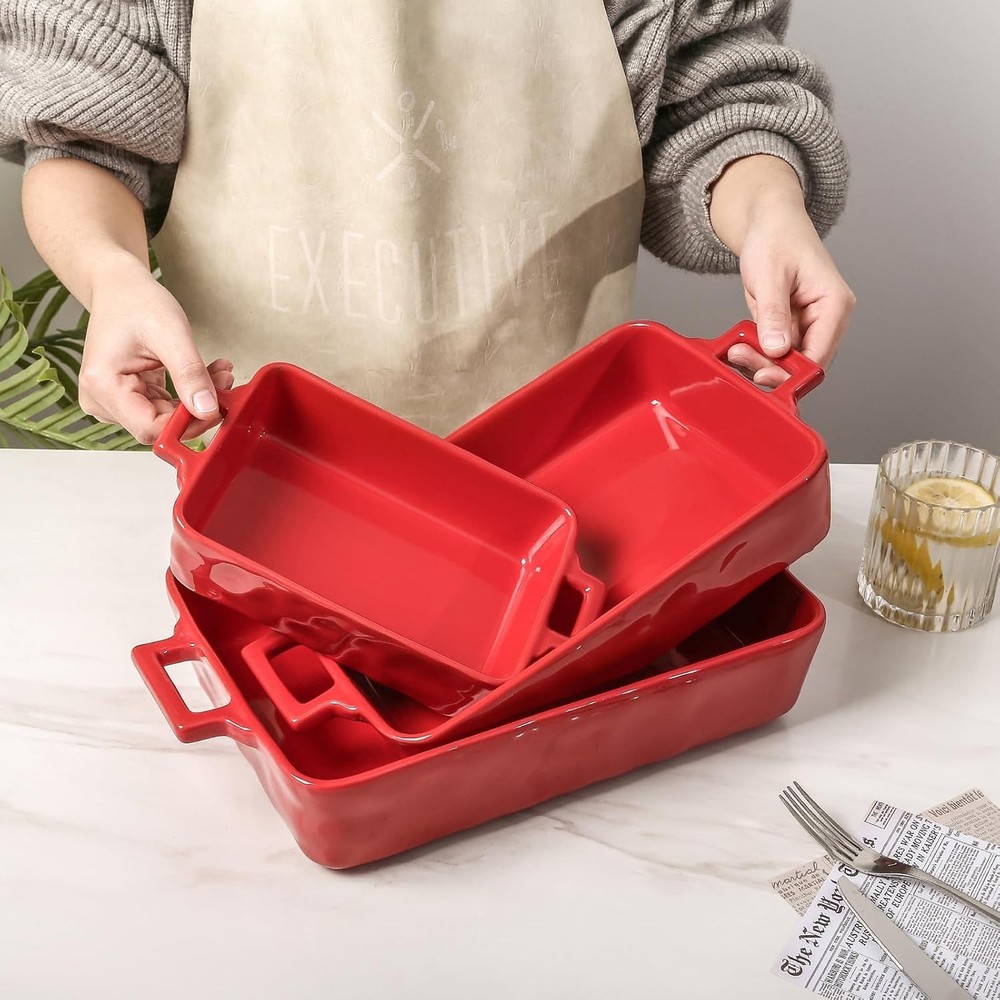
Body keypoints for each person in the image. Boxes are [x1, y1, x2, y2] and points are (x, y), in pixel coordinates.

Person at [0, 0, 854, 444]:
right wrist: (111, 276)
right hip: (260, 458)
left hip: (563, 451)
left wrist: (769, 209)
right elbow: (84, 138)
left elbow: (707, 92)